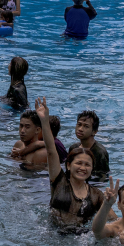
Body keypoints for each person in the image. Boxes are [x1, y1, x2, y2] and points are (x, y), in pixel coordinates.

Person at [36, 98, 106, 230]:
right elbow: (51, 151)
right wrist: (44, 121)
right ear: (68, 165)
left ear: (92, 169)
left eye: (87, 165)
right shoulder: (59, 182)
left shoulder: (96, 194)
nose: (82, 168)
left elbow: (112, 218)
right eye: (79, 163)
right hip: (53, 234)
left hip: (81, 239)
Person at [69, 110, 109, 179]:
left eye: (86, 126)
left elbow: (103, 178)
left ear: (94, 132)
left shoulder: (100, 153)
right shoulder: (74, 148)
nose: (80, 129)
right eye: (79, 124)